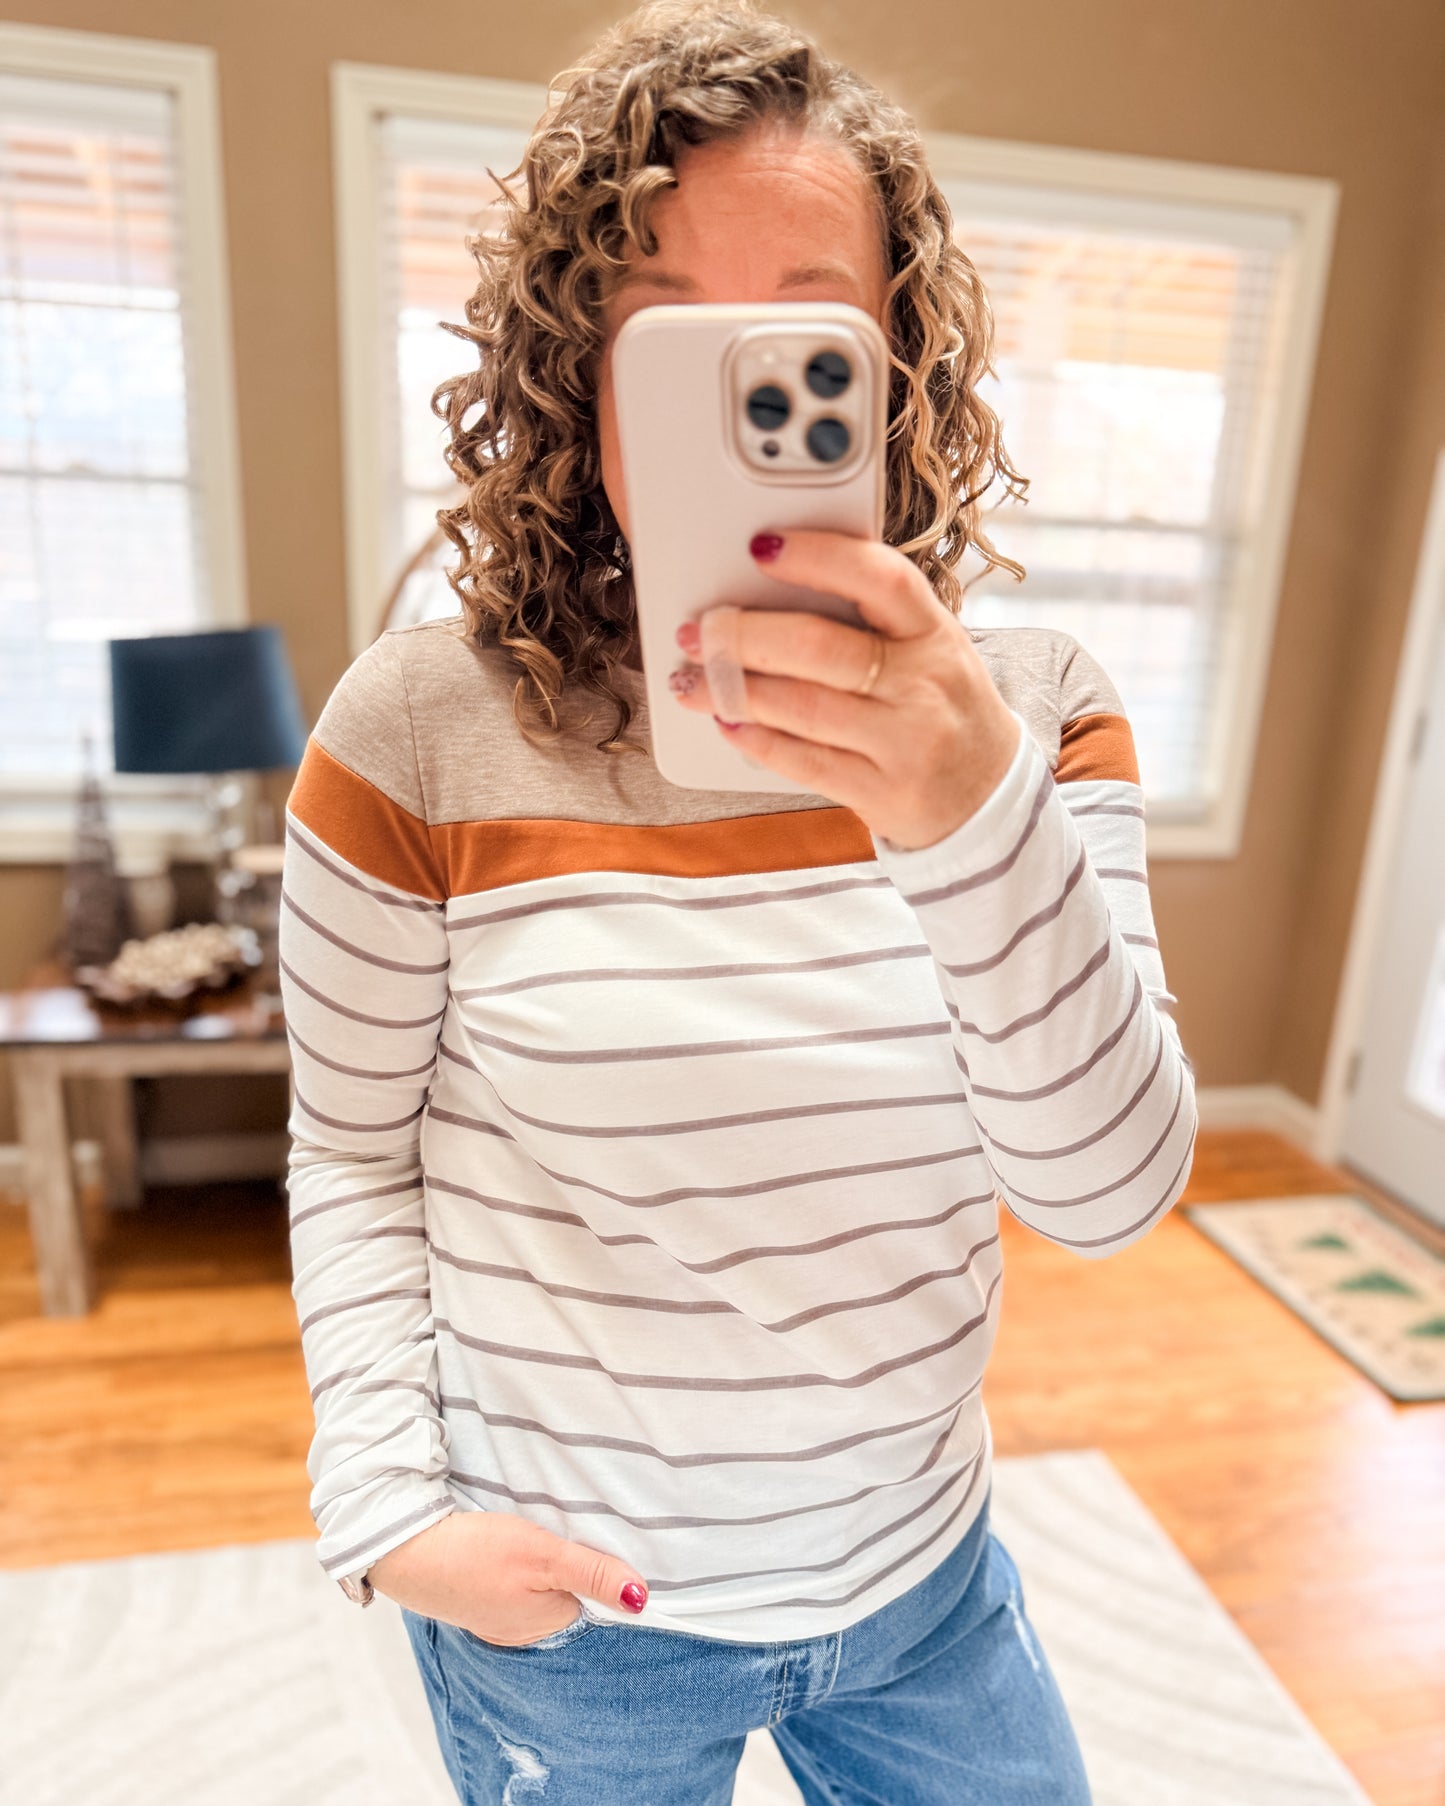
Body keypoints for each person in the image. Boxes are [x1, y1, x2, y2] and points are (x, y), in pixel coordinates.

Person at [279, 4, 1197, 1801]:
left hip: (925, 1582)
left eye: (795, 319)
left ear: (892, 361)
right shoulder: (417, 730)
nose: (730, 375)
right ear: (576, 375)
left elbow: (1105, 1194)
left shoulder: (1033, 705)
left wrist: (960, 805)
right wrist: (388, 1512)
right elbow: (349, 1148)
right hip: (575, 1620)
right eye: (657, 322)